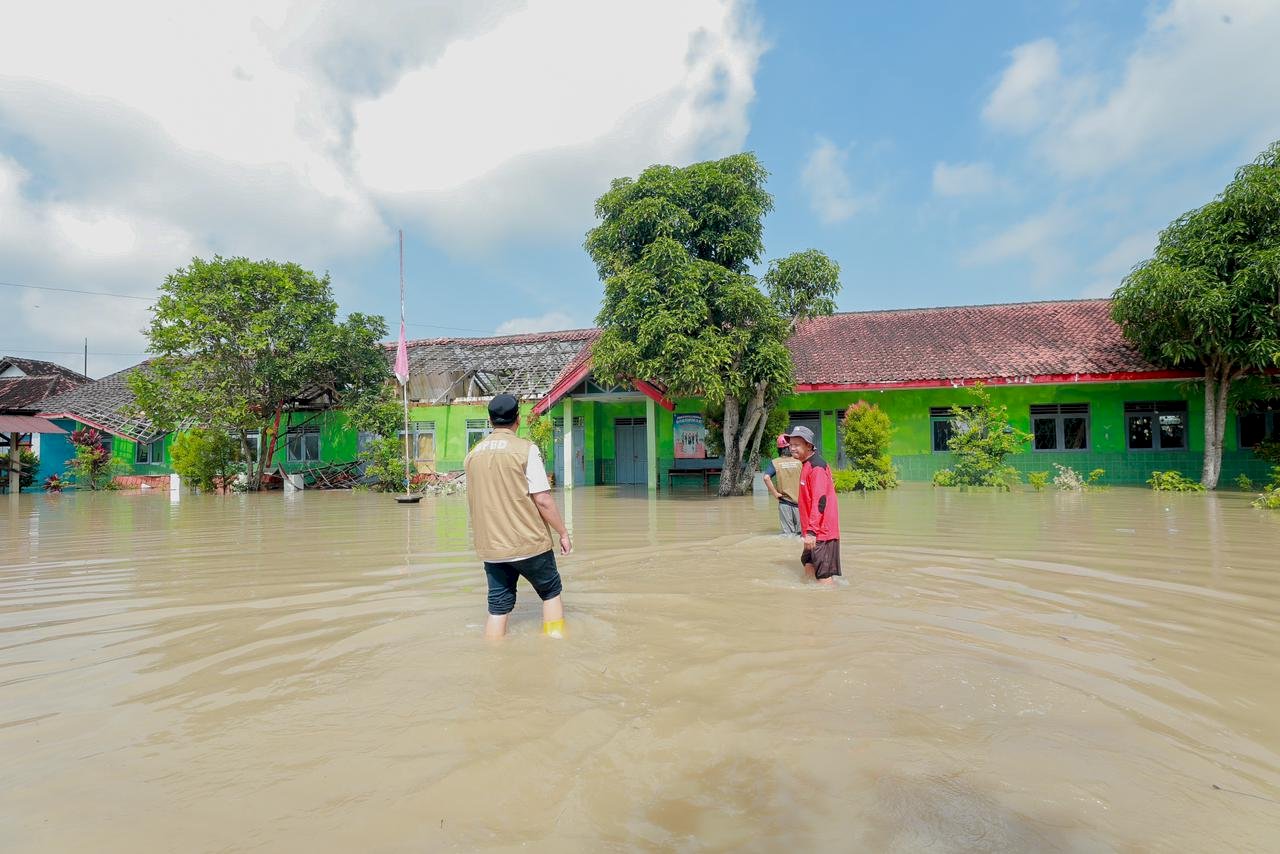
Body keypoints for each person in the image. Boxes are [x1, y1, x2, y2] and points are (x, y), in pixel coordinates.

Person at [464, 394, 572, 638]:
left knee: (498, 608)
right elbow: (542, 499)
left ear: (490, 420)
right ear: (518, 419)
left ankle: (494, 654)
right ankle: (556, 646)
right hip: (529, 543)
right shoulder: (526, 450)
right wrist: (563, 533)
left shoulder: (473, 455)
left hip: (492, 547)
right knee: (551, 593)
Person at [786, 425, 842, 585]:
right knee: (808, 563)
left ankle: (827, 598)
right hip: (812, 530)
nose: (792, 448)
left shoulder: (817, 467)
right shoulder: (806, 464)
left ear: (809, 446)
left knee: (823, 575)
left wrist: (811, 532)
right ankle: (810, 597)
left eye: (797, 445)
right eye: (791, 444)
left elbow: (820, 501)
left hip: (822, 532)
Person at [762, 433, 802, 536]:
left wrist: (775, 493)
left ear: (779, 449)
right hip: (801, 504)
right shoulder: (800, 461)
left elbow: (766, 478)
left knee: (788, 535)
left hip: (785, 502)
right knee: (801, 534)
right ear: (790, 447)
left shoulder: (775, 462)